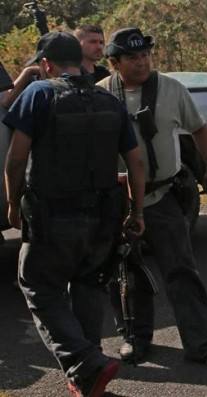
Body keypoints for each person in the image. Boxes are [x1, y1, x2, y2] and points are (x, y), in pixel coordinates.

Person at [3, 31, 145, 396]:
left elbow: (17, 158)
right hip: (102, 219)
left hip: (53, 218)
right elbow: (135, 160)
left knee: (37, 284)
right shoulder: (109, 99)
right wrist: (136, 210)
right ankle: (89, 374)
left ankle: (85, 361)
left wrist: (11, 202)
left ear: (46, 65)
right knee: (88, 287)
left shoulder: (38, 93)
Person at [98, 27, 207, 369]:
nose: (141, 62)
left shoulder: (171, 88)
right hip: (119, 200)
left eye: (145, 55)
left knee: (182, 271)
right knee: (126, 273)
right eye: (132, 57)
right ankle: (134, 339)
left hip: (162, 196)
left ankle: (203, 344)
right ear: (114, 62)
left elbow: (199, 128)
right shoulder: (100, 94)